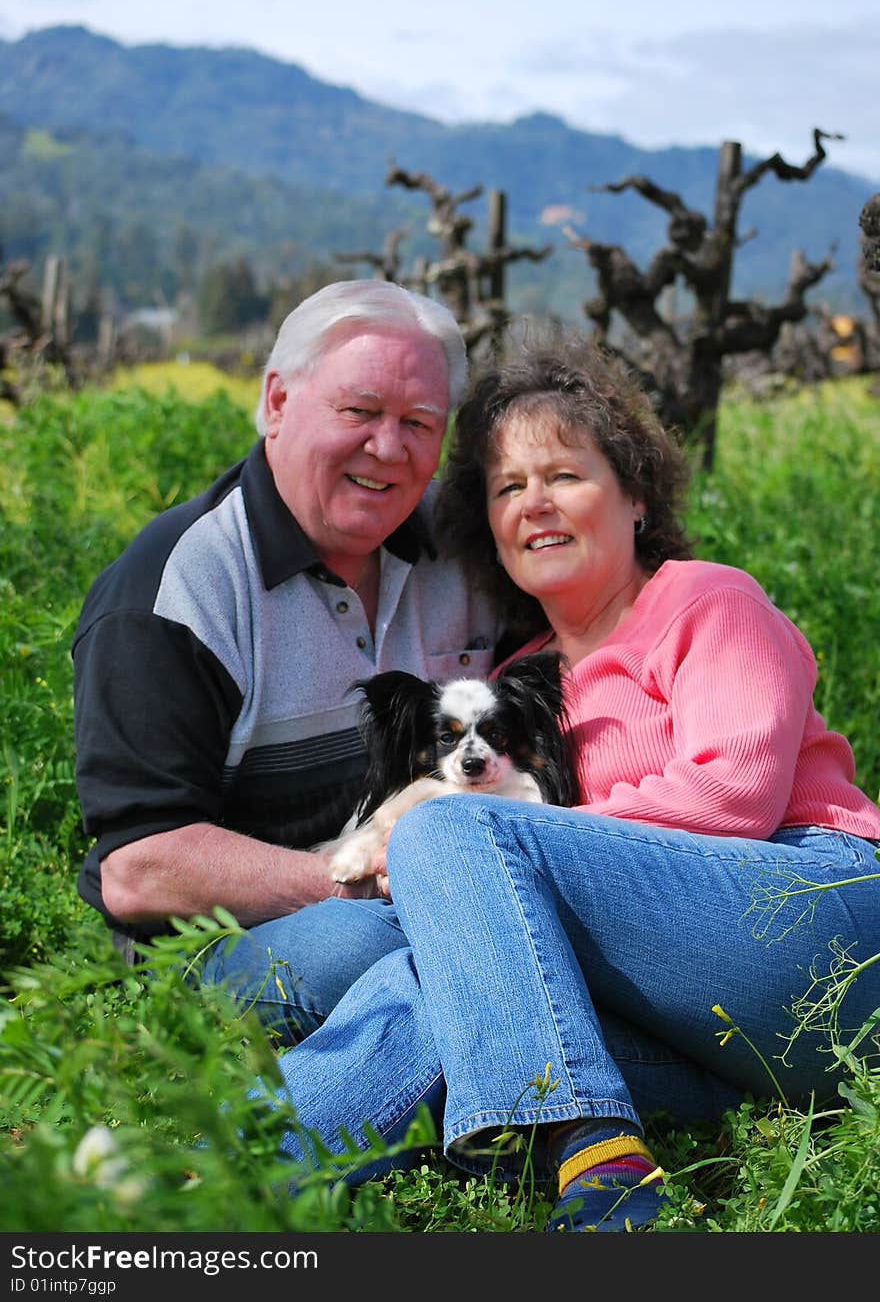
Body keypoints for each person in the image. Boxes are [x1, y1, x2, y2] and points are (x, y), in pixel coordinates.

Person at [252, 329, 880, 1232]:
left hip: (815, 919)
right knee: (443, 985)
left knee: (450, 828)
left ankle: (596, 1157)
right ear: (490, 530)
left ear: (634, 496)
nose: (534, 504)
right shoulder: (524, 683)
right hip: (705, 1029)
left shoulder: (707, 600)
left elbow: (733, 795)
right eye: (509, 487)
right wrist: (492, 875)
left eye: (565, 476)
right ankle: (202, 1181)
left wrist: (495, 847)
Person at [72, 279, 500, 1029]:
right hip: (215, 948)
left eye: (419, 421)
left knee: (488, 942)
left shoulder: (465, 552)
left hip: (431, 896)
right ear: (276, 402)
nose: (389, 447)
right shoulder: (176, 588)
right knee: (384, 948)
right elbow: (138, 868)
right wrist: (363, 881)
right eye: (360, 411)